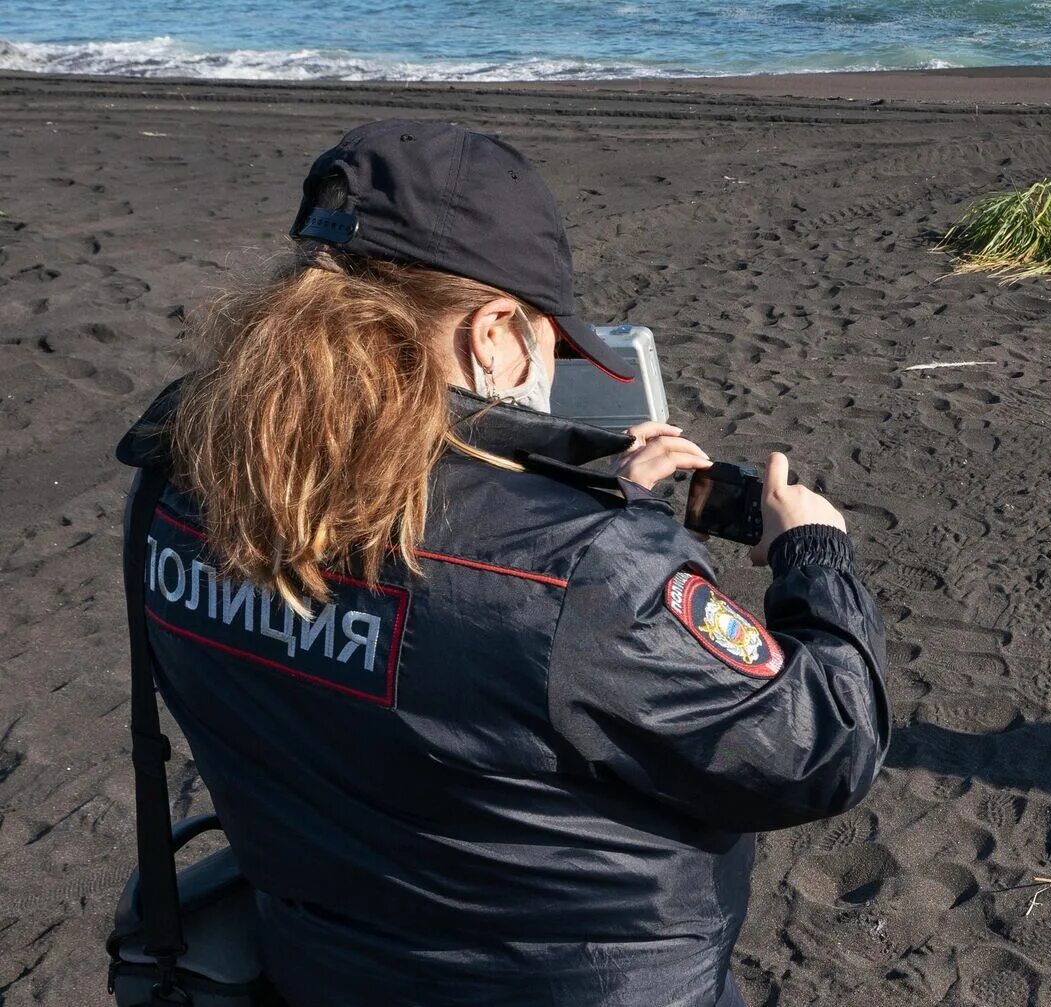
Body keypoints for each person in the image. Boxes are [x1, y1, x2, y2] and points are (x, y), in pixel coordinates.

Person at [113, 119, 890, 1007]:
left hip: (324, 966)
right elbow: (820, 743)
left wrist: (592, 503)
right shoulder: (583, 571)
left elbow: (409, 582)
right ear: (491, 333)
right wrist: (814, 553)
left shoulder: (183, 484)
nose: (546, 367)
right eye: (549, 344)